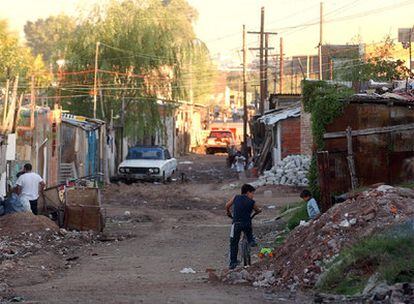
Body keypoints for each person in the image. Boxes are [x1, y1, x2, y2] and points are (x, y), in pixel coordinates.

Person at [226, 184, 262, 269]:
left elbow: (227, 205)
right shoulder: (251, 202)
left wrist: (228, 212)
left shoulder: (236, 197)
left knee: (234, 243)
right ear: (248, 192)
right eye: (252, 193)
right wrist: (259, 211)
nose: (253, 196)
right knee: (249, 232)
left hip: (236, 224)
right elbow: (257, 210)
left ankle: (233, 263)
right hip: (246, 224)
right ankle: (251, 241)